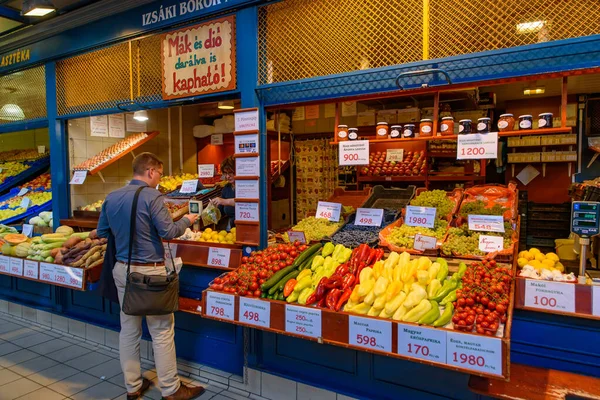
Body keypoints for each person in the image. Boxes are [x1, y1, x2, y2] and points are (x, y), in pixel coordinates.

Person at [97, 152, 204, 400]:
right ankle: (170, 389)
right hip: (150, 273)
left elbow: (102, 231)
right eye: (160, 174)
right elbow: (168, 231)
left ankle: (133, 386)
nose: (160, 179)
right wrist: (187, 220)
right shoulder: (152, 196)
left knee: (128, 330)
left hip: (123, 270)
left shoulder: (112, 196)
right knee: (162, 330)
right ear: (151, 171)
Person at [210, 156, 235, 230]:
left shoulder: (247, 186)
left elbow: (244, 202)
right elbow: (221, 211)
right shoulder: (226, 188)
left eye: (231, 173)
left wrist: (224, 201)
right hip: (233, 230)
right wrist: (212, 210)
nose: (227, 176)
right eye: (225, 173)